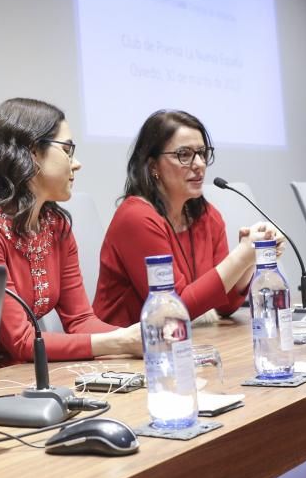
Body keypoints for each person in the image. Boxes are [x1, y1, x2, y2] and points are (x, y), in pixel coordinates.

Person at [0, 98, 142, 367]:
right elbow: (22, 342)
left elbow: (81, 321)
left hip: (24, 376)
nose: (77, 164)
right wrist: (121, 341)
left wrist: (142, 338)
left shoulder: (54, 225)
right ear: (32, 152)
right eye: (68, 150)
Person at [93, 110, 280, 328]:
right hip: (125, 353)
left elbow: (223, 305)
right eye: (184, 154)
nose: (199, 163)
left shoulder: (208, 217)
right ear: (153, 166)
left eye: (202, 153)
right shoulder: (136, 218)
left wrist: (249, 260)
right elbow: (174, 309)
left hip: (181, 342)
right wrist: (240, 256)